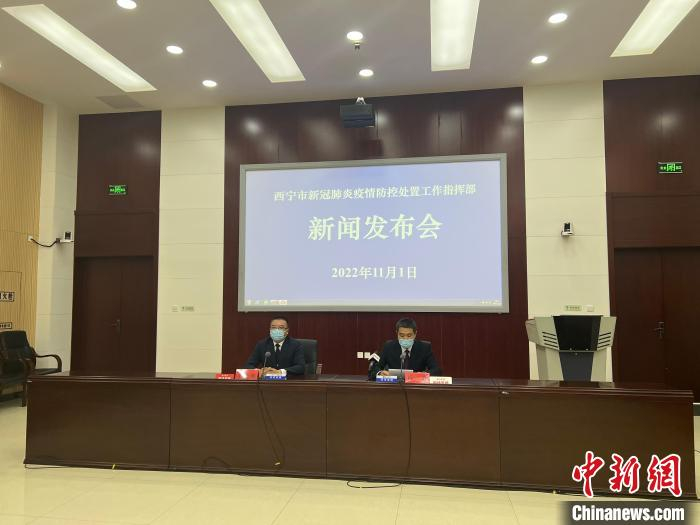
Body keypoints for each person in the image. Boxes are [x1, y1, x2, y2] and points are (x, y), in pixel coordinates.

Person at [369, 317, 442, 379]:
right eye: (402, 335)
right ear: (397, 333)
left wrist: (422, 375)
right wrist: (380, 373)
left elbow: (436, 370)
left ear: (415, 334)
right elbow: (375, 368)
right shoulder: (388, 346)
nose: (405, 338)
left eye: (409, 335)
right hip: (394, 386)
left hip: (416, 386)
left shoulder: (424, 348)